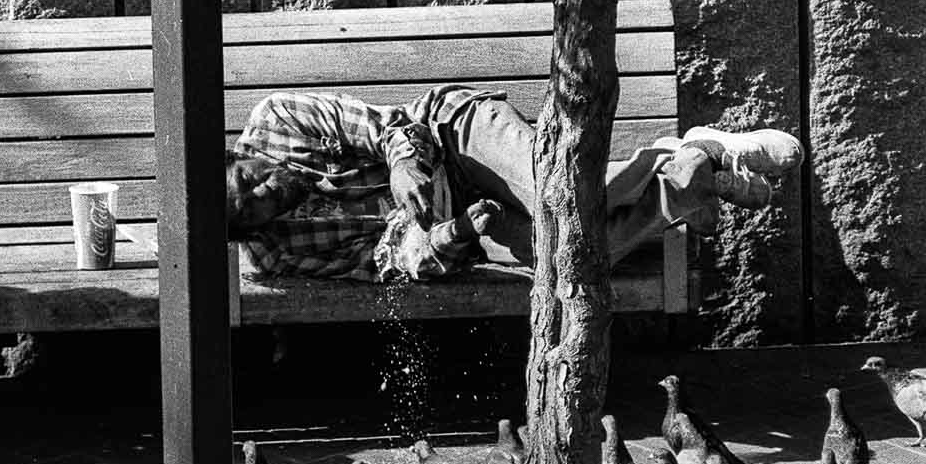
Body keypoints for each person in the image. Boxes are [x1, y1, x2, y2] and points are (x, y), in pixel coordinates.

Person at [225, 85, 803, 283]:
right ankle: (692, 169)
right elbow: (384, 262)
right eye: (251, 211)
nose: (264, 195)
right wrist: (448, 237)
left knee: (560, 196)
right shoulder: (273, 253)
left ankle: (690, 160)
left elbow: (386, 126)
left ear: (238, 155)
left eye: (249, 181)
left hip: (452, 134)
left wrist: (404, 165)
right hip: (470, 224)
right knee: (572, 254)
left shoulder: (276, 120)